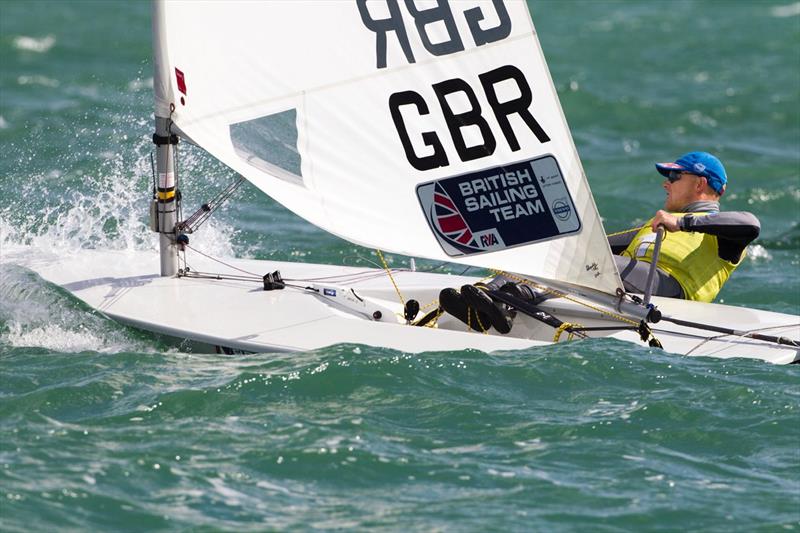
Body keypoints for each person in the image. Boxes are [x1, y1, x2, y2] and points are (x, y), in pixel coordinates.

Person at [440, 151, 761, 334]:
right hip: (630, 280)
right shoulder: (652, 226)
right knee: (565, 252)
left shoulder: (723, 235)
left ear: (700, 184)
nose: (667, 184)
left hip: (669, 292)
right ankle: (491, 299)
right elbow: (589, 245)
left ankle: (507, 302)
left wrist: (683, 221)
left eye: (675, 178)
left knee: (574, 263)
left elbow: (750, 224)